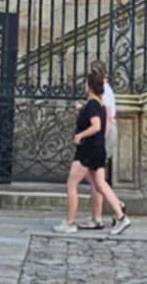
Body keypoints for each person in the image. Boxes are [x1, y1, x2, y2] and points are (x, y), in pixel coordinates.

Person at [57, 66, 128, 236]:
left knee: (71, 184)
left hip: (87, 151)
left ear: (89, 86)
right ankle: (120, 216)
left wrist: (80, 135)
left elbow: (96, 126)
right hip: (96, 150)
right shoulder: (97, 104)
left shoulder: (93, 105)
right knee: (100, 184)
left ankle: (70, 222)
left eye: (85, 84)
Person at [87, 60, 122, 231]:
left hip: (105, 133)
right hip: (105, 132)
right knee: (96, 177)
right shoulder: (102, 90)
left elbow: (107, 116)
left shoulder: (105, 90)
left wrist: (101, 138)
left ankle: (107, 213)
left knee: (97, 178)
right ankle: (100, 215)